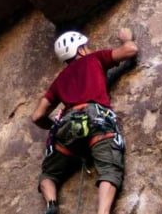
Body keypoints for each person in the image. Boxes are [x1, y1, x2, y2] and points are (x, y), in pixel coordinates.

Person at [28, 27, 139, 214]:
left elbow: (37, 115)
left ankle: (51, 204)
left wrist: (54, 126)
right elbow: (131, 51)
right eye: (85, 46)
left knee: (49, 173)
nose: (88, 49)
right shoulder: (93, 58)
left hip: (69, 123)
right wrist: (127, 38)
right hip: (97, 118)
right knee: (109, 169)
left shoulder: (60, 80)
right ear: (80, 50)